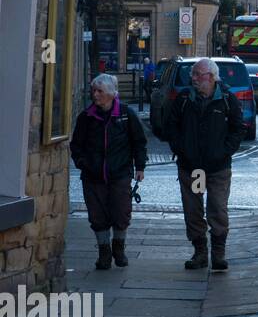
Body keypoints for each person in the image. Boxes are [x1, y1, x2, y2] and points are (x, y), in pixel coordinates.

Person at [163, 57, 243, 272]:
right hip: (193, 168)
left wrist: (224, 151)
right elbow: (171, 126)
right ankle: (199, 252)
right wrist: (181, 149)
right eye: (194, 75)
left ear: (212, 77)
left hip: (218, 168)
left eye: (199, 75)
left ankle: (218, 254)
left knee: (217, 208)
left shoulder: (227, 99)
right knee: (193, 210)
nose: (195, 79)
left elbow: (238, 129)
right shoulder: (184, 99)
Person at [69, 74, 147, 270]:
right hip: (92, 175)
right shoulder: (86, 117)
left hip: (120, 174)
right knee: (97, 215)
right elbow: (76, 145)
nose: (95, 95)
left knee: (121, 213)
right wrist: (82, 163)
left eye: (100, 91)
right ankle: (104, 252)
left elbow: (139, 142)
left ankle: (118, 249)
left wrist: (140, 167)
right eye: (93, 90)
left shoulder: (126, 115)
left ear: (112, 94)